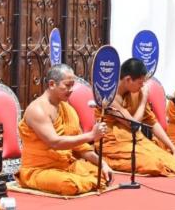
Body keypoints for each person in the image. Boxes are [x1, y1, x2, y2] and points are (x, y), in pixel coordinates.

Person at [17, 64, 113, 196]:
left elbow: (81, 147)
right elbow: (54, 142)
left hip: (66, 166)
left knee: (101, 174)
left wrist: (103, 164)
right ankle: (84, 182)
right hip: (39, 170)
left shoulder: (67, 109)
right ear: (52, 84)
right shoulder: (37, 110)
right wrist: (91, 135)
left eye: (73, 85)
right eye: (67, 85)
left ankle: (88, 180)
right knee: (69, 185)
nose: (71, 90)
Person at [102, 59, 175, 176]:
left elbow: (152, 122)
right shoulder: (109, 97)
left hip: (135, 140)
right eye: (140, 83)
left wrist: (174, 149)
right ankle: (105, 161)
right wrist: (144, 100)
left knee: (174, 159)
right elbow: (133, 124)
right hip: (113, 144)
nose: (143, 86)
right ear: (128, 80)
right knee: (153, 163)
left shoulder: (136, 92)